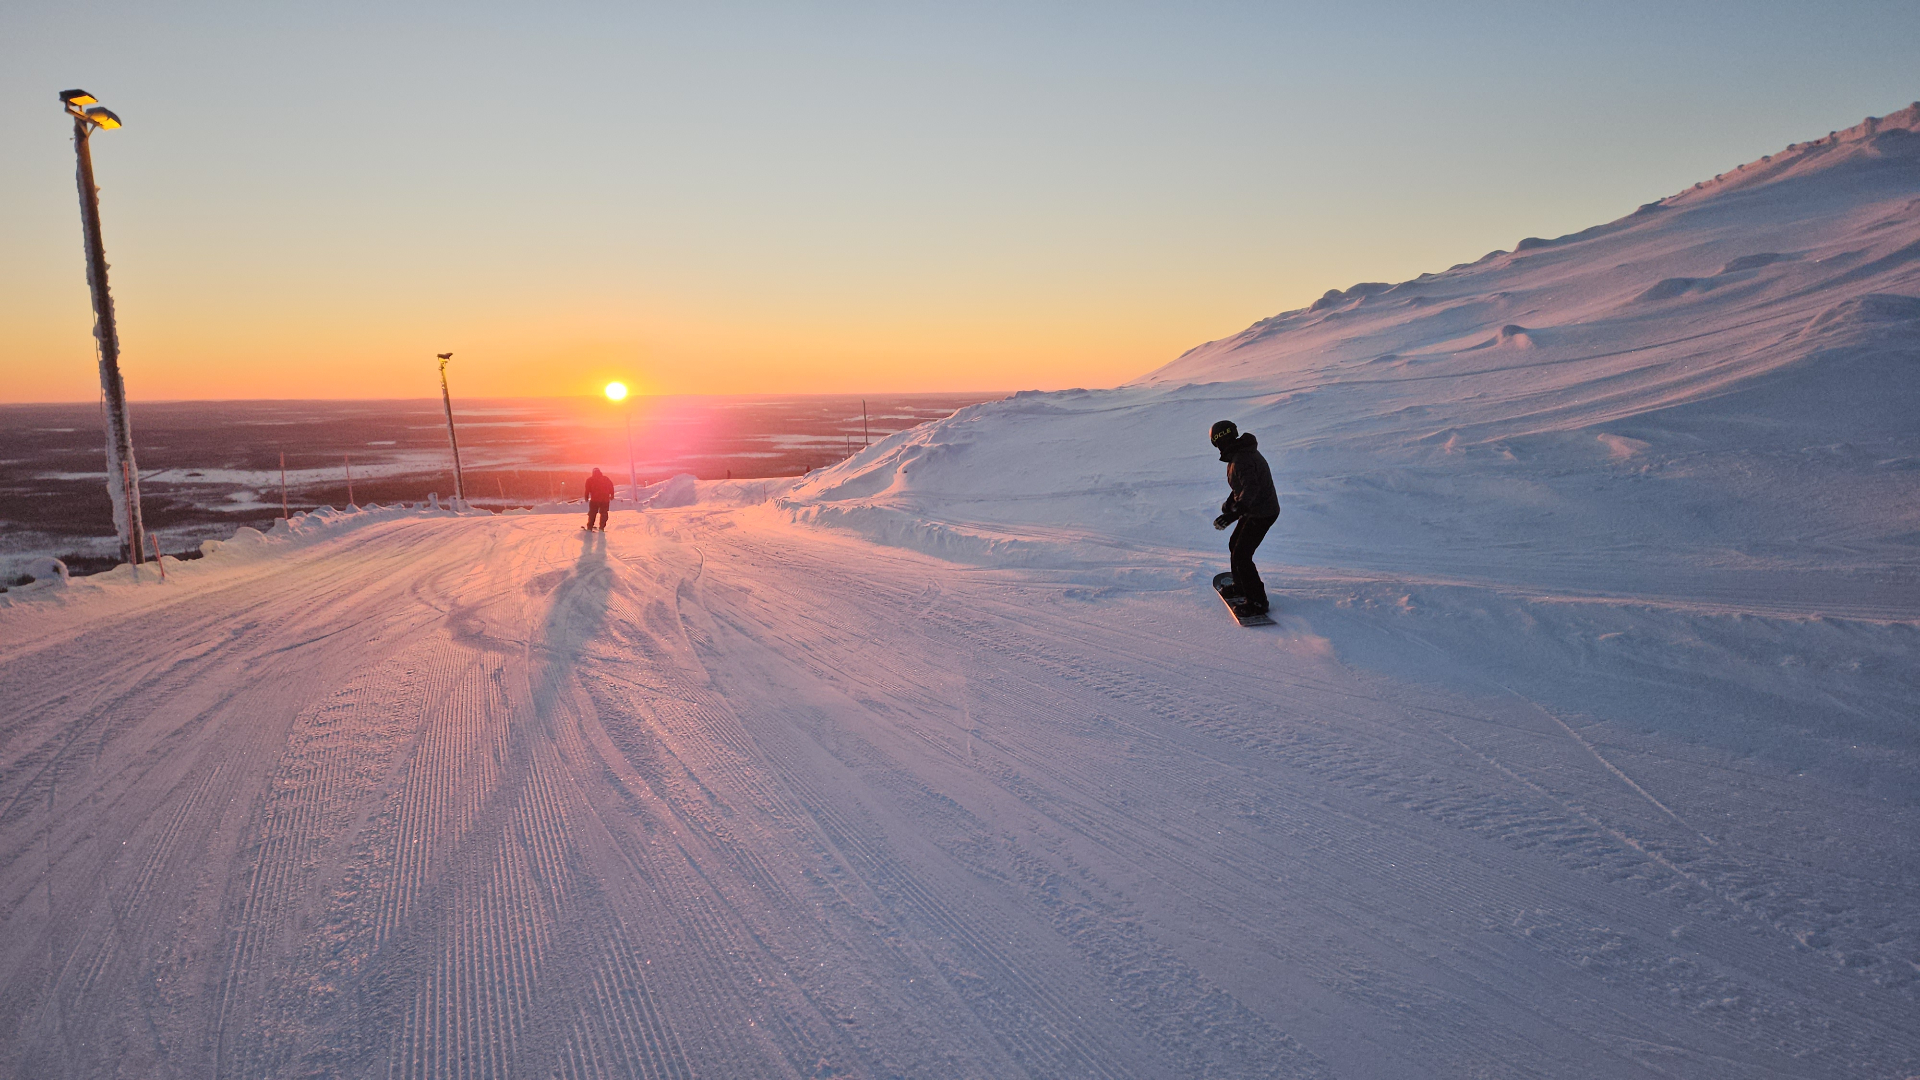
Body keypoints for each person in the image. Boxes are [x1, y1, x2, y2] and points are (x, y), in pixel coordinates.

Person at [1210, 420, 1279, 616]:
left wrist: (1234, 513)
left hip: (1263, 512)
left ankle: (1257, 602)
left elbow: (1251, 489)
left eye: (1216, 442)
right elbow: (1242, 487)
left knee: (1242, 555)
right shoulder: (1238, 455)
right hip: (1254, 509)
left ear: (1220, 440)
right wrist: (1231, 503)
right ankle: (1241, 586)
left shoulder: (1242, 458)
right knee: (1235, 545)